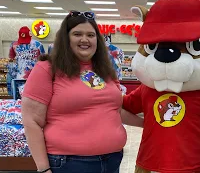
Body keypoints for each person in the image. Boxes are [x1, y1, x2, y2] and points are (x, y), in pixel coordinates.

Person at [21, 11, 143, 173]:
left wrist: (147, 124)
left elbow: (115, 110)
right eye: (77, 34)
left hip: (112, 160)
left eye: (91, 35)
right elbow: (31, 122)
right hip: (69, 163)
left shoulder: (105, 70)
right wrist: (43, 169)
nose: (85, 39)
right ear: (66, 38)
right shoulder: (47, 69)